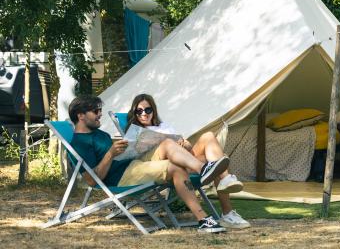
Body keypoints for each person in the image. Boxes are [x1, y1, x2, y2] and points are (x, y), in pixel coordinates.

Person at [69, 95, 229, 233]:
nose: (100, 114)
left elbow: (117, 154)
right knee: (175, 167)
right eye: (95, 111)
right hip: (122, 177)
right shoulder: (79, 143)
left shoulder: (100, 134)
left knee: (167, 142)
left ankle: (203, 169)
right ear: (81, 115)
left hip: (133, 163)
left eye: (100, 111)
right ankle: (203, 219)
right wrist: (111, 153)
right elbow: (91, 180)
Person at [125, 93, 250, 229]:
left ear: (153, 111)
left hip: (183, 159)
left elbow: (188, 151)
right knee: (169, 143)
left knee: (210, 140)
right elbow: (132, 154)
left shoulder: (164, 126)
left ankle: (226, 196)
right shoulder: (134, 131)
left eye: (147, 110)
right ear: (134, 113)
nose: (143, 113)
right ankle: (206, 170)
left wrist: (185, 144)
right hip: (159, 165)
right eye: (139, 111)